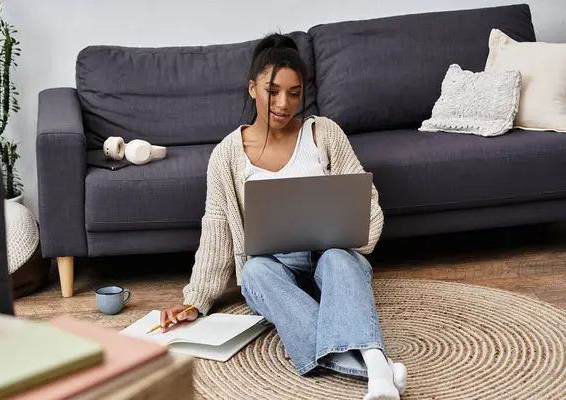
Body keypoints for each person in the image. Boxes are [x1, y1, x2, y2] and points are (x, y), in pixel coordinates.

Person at [160, 33, 407, 400]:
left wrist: (355, 235)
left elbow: (365, 201)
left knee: (341, 259)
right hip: (274, 273)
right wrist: (196, 299)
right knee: (254, 271)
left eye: (294, 93)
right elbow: (216, 229)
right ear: (252, 88)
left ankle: (373, 361)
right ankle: (381, 371)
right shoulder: (227, 155)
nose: (283, 103)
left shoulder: (325, 134)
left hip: (331, 258)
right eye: (272, 91)